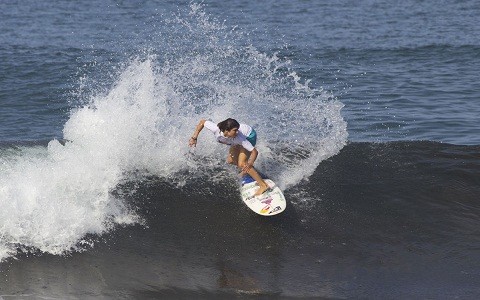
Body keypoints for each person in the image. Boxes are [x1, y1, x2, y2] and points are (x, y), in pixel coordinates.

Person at [189, 118, 270, 196]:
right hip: (233, 141)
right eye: (235, 130)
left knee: (242, 163)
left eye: (237, 130)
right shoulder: (216, 129)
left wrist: (250, 163)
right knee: (230, 160)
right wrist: (194, 137)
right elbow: (203, 122)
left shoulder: (239, 137)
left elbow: (254, 152)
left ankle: (263, 185)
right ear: (227, 131)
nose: (237, 132)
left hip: (249, 135)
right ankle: (250, 172)